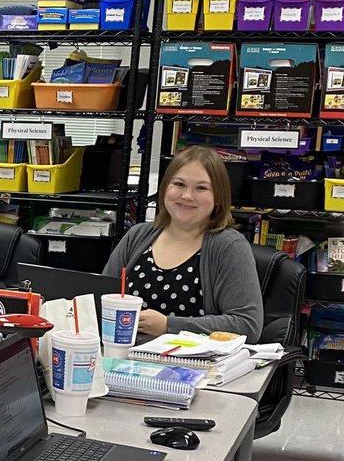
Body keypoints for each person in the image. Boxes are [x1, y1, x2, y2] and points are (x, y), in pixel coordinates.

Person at [103, 146, 263, 342]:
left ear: (218, 198)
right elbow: (100, 298)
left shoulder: (229, 247)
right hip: (123, 359)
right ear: (164, 189)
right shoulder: (138, 236)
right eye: (179, 184)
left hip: (195, 367)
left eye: (201, 188)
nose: (187, 196)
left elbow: (247, 325)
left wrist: (169, 326)